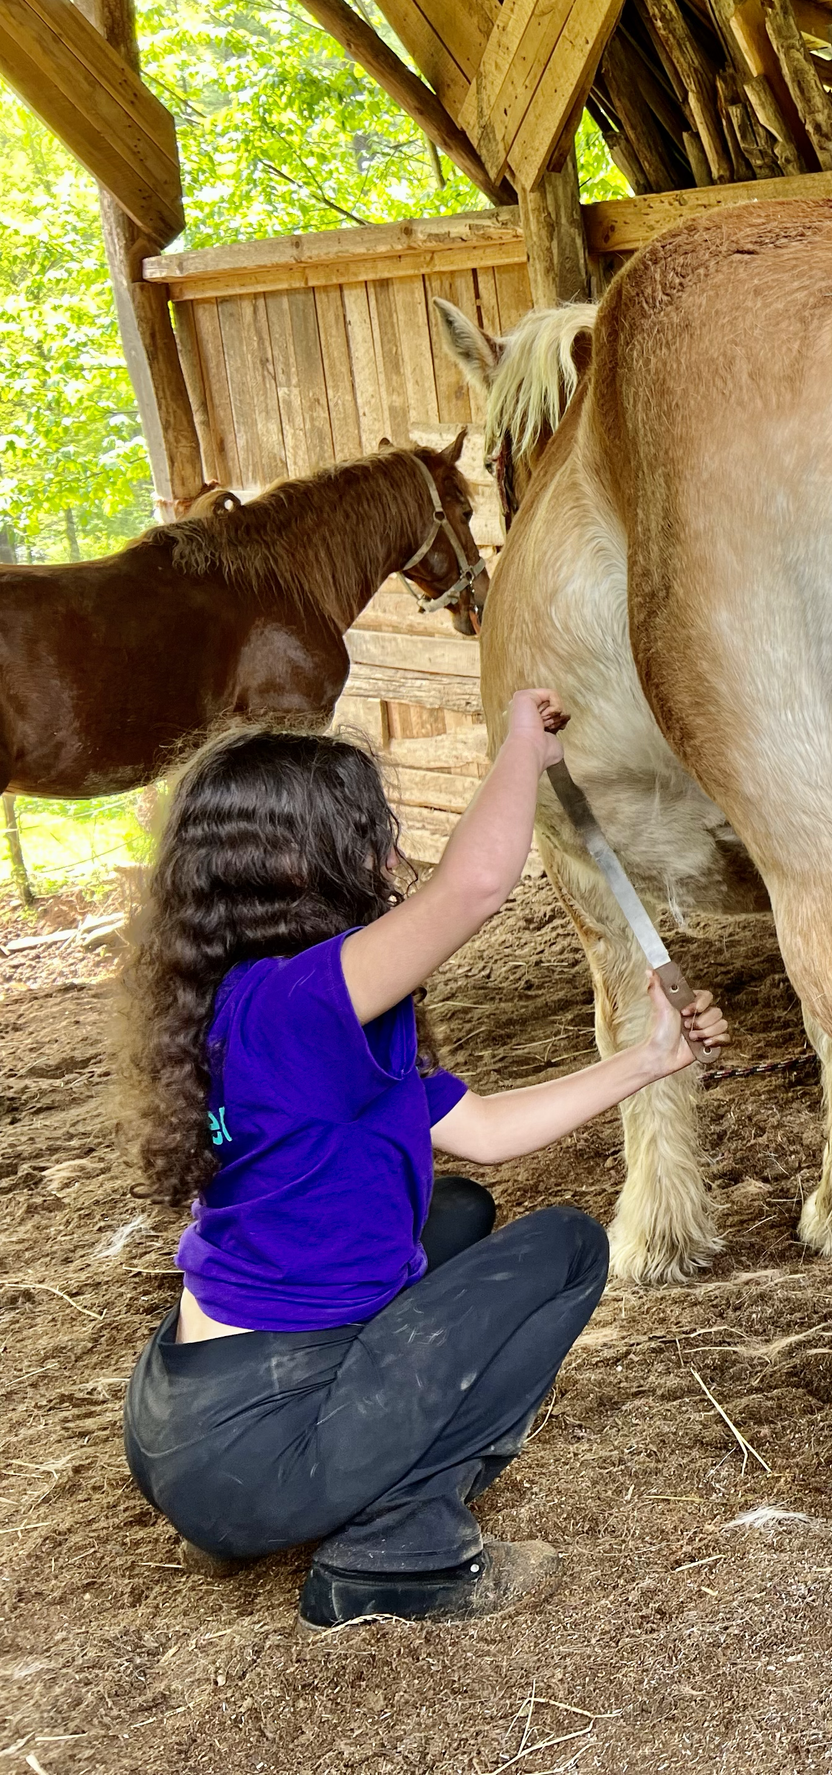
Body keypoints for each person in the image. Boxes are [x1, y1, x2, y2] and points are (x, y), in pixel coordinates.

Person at [117, 694, 729, 1629]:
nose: (389, 857)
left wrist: (647, 1060)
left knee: (458, 1209)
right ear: (291, 861)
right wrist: (521, 743)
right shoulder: (299, 1003)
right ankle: (397, 1546)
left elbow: (480, 1126)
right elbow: (475, 887)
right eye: (365, 836)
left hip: (186, 1420)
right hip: (254, 1437)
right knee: (566, 1246)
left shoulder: (255, 998)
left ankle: (300, 1489)